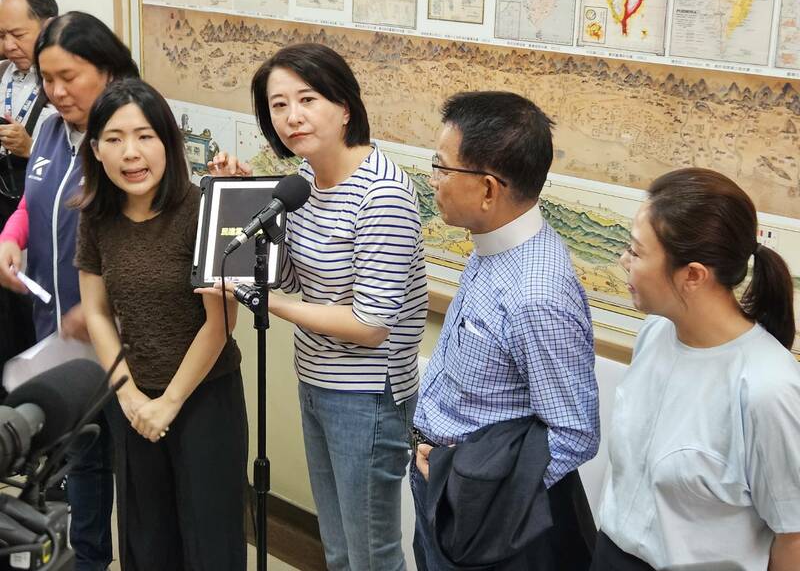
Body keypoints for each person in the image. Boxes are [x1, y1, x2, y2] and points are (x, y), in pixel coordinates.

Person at [214, 42, 429, 570]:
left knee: (371, 555)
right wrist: (248, 197)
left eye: (307, 99)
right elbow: (292, 276)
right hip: (315, 377)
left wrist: (269, 304)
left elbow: (370, 325)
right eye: (278, 105)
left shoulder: (383, 193)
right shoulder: (305, 182)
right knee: (337, 547)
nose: (292, 116)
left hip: (367, 395)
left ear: (345, 107)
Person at [411, 91, 600, 569]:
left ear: (488, 190)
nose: (433, 181)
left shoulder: (538, 295)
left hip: (477, 510)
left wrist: (474, 488)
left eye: (441, 167)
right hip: (440, 482)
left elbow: (575, 433)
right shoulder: (493, 245)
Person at [75, 77, 247, 571]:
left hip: (204, 399)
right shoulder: (97, 216)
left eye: (145, 136)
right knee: (146, 542)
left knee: (210, 545)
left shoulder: (203, 210)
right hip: (132, 400)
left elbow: (221, 323)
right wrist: (129, 396)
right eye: (114, 138)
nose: (131, 153)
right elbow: (96, 312)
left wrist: (168, 403)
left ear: (169, 143)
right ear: (96, 150)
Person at [593, 168, 800, 571]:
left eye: (636, 252)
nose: (623, 260)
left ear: (693, 275)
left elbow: (792, 535)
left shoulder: (768, 389)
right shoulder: (656, 331)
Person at [0, 11, 139, 571]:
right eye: (47, 78)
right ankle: (88, 560)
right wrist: (10, 238)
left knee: (133, 473)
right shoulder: (53, 129)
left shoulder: (131, 137)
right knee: (78, 464)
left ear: (107, 70)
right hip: (60, 333)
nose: (55, 92)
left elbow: (150, 241)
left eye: (69, 77)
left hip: (121, 340)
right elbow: (31, 203)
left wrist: (102, 309)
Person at [0, 0, 57, 381]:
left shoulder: (60, 86)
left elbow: (75, 163)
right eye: (1, 35)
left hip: (43, 214)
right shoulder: (3, 73)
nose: (8, 46)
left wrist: (30, 147)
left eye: (17, 34)